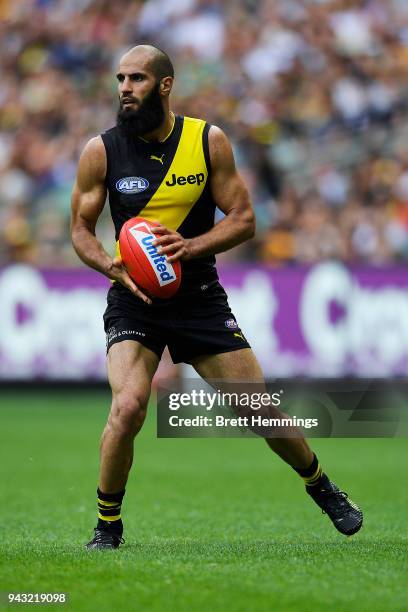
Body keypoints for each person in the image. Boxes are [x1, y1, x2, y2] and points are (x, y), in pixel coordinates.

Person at [70, 45, 363, 550]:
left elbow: (246, 220)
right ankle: (107, 527)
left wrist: (191, 246)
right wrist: (108, 263)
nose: (124, 88)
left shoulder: (207, 141)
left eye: (136, 78)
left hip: (199, 297)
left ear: (164, 84)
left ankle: (322, 486)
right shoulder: (102, 150)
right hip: (134, 297)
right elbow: (79, 229)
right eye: (120, 78)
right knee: (130, 406)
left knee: (258, 409)